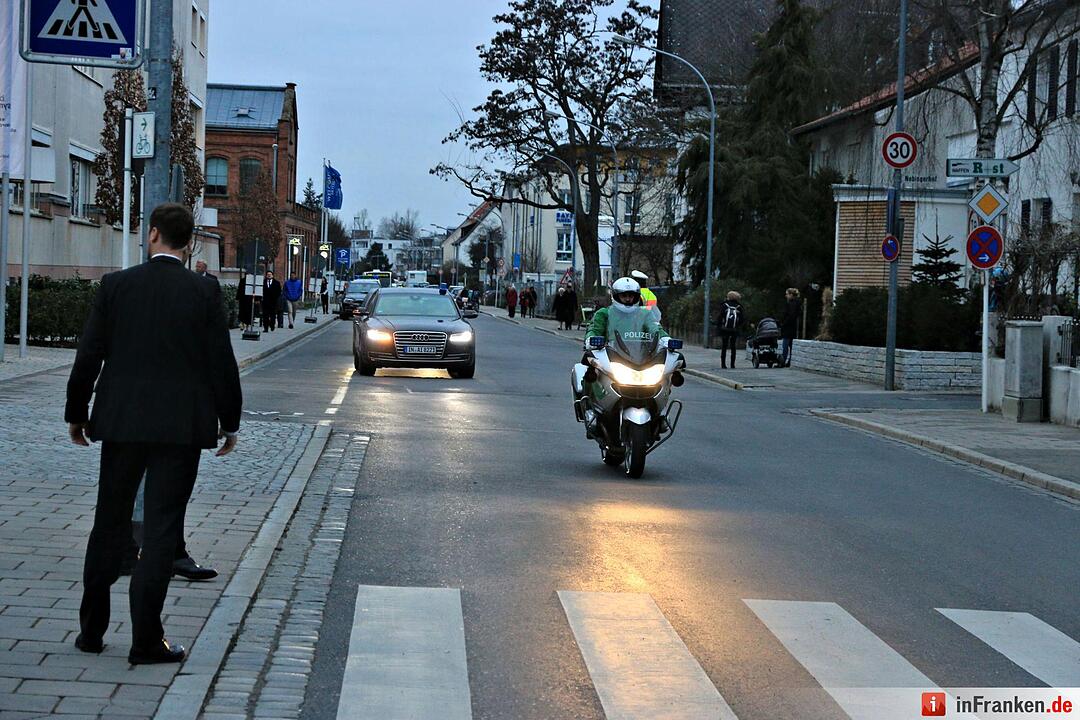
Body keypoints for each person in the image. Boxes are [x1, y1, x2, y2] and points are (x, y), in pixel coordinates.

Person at [65, 202, 242, 665]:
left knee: (109, 519)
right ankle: (146, 640)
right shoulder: (203, 293)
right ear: (190, 244)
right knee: (162, 528)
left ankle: (91, 631)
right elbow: (221, 362)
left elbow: (89, 355)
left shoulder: (117, 286)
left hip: (122, 422)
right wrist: (230, 421)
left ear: (154, 235)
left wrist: (76, 412)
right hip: (180, 428)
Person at [717, 291, 744, 369]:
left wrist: (719, 326)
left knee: (724, 346)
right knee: (733, 346)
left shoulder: (724, 305)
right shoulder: (739, 307)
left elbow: (720, 317)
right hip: (734, 330)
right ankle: (732, 364)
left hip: (725, 329)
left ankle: (723, 364)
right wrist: (738, 327)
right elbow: (742, 319)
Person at [780, 287, 801, 367]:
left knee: (785, 344)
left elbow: (790, 315)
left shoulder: (791, 304)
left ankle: (783, 360)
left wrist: (784, 323)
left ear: (791, 295)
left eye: (787, 294)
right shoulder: (797, 303)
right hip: (793, 327)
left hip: (788, 327)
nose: (786, 296)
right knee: (791, 345)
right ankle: (789, 361)